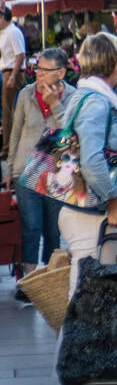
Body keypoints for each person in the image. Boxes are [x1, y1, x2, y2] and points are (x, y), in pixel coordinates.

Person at [55, 32, 117, 385]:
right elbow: (90, 157)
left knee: (85, 302)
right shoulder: (95, 102)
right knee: (89, 305)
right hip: (92, 215)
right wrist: (113, 202)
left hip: (81, 211)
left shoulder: (82, 96)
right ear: (114, 65)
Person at [7, 48, 76, 300]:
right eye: (37, 68)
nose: (38, 73)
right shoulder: (26, 94)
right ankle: (27, 283)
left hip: (56, 172)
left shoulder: (72, 96)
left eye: (44, 70)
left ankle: (48, 280)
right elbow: (15, 131)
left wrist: (54, 105)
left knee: (52, 230)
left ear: (61, 72)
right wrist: (11, 166)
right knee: (31, 228)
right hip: (25, 169)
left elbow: (70, 132)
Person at [1, 6, 26, 156]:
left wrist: (12, 76)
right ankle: (7, 146)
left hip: (12, 72)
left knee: (8, 111)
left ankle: (8, 147)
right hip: (7, 72)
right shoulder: (5, 32)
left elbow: (20, 55)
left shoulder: (13, 31)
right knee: (7, 110)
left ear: (3, 17)